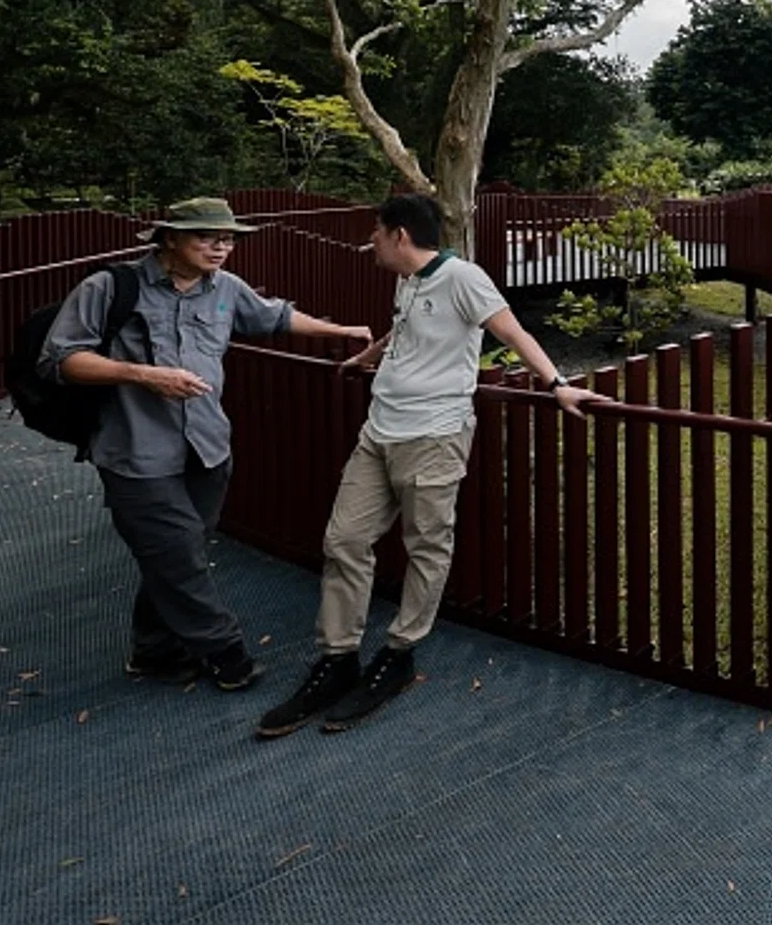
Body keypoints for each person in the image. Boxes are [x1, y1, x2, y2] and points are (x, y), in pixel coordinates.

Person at [256, 193, 606, 737]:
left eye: (375, 232)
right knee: (344, 539)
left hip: (435, 436)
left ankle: (399, 653)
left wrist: (558, 385)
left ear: (399, 235)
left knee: (426, 544)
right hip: (379, 431)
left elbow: (512, 331)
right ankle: (339, 656)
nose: (369, 241)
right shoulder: (408, 279)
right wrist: (365, 357)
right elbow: (408, 329)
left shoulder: (463, 277)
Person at [39, 197, 373, 690]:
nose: (221, 246)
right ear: (169, 238)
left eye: (229, 238)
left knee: (174, 553)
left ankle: (153, 652)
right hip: (136, 451)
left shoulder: (225, 290)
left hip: (207, 448)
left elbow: (274, 317)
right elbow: (59, 360)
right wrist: (142, 375)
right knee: (181, 556)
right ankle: (228, 655)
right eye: (207, 236)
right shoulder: (110, 287)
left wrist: (341, 330)